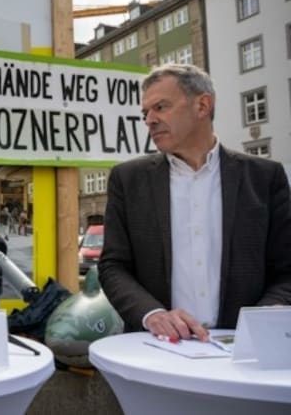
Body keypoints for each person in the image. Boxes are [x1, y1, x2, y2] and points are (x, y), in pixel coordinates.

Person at [98, 63, 291, 342]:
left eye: (161, 107)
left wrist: (261, 321)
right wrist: (152, 314)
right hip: (158, 346)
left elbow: (286, 271)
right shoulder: (128, 180)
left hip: (243, 348)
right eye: (145, 112)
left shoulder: (264, 177)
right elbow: (113, 266)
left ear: (202, 105)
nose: (149, 120)